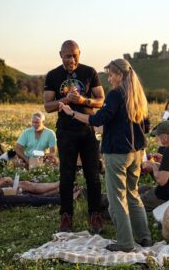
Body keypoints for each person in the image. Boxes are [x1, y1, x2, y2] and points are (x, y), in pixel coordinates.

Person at [60, 58, 151, 252]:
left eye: (110, 74)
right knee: (133, 195)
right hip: (136, 153)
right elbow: (146, 126)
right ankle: (144, 238)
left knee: (117, 199)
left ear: (120, 75)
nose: (109, 78)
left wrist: (71, 113)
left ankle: (125, 243)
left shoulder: (116, 95)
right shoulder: (138, 95)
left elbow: (97, 119)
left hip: (118, 154)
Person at [44, 40, 105, 233]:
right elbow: (47, 106)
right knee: (66, 176)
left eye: (75, 55)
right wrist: (65, 100)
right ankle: (66, 216)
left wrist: (83, 100)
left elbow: (101, 100)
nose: (71, 59)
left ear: (80, 54)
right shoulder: (53, 75)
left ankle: (95, 215)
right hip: (66, 131)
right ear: (60, 55)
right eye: (67, 55)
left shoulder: (90, 72)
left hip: (88, 130)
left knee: (93, 176)